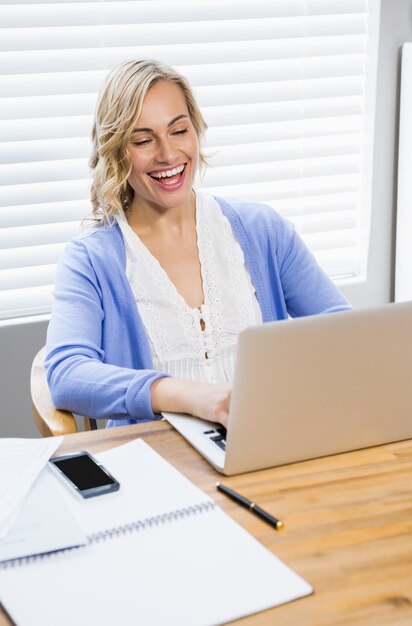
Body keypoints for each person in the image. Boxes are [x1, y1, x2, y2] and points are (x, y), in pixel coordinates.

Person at [45, 59, 351, 429]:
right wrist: (191, 396)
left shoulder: (262, 230)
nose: (168, 155)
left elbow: (344, 332)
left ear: (196, 130)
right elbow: (67, 375)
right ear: (116, 151)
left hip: (267, 439)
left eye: (179, 131)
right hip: (156, 461)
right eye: (142, 140)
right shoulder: (91, 259)